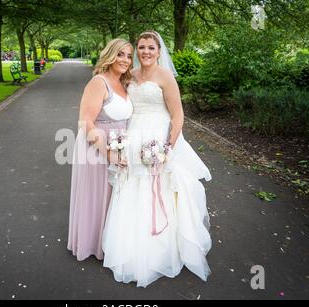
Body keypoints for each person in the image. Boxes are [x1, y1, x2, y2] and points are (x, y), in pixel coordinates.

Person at [102, 31, 212, 287]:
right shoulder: (131, 75)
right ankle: (130, 247)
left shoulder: (165, 77)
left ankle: (162, 249)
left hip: (158, 140)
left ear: (159, 51)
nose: (145, 52)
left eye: (151, 47)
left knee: (160, 190)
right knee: (131, 186)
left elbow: (177, 116)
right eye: (141, 47)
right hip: (133, 136)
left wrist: (167, 149)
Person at [68, 39, 134, 261]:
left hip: (120, 146)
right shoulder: (99, 82)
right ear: (110, 55)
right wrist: (108, 153)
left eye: (128, 56)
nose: (125, 60)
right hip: (97, 149)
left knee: (115, 197)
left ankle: (111, 243)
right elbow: (86, 122)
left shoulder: (124, 84)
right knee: (97, 197)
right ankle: (93, 244)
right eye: (121, 54)